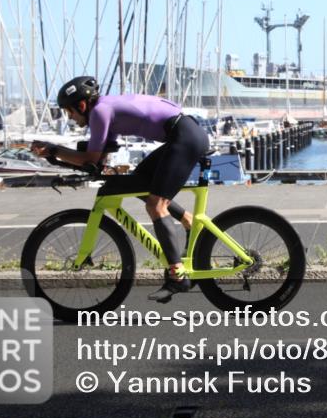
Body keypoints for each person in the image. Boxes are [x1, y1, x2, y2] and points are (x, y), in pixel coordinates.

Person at [31, 76, 210, 303]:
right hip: (184, 134)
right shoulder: (106, 110)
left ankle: (177, 276)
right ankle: (189, 221)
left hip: (184, 137)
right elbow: (98, 159)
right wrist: (63, 159)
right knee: (139, 182)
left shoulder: (100, 112)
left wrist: (55, 150)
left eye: (70, 112)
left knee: (156, 205)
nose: (71, 118)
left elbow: (90, 157)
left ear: (82, 105)